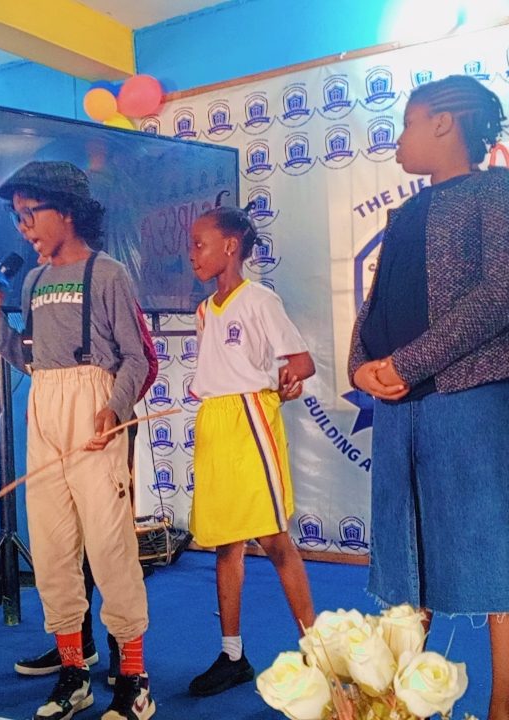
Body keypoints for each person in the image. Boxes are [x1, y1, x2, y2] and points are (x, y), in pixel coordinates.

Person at [348, 75, 509, 720]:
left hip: (472, 398)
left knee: (495, 547)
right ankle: (401, 698)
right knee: (405, 551)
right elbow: (375, 303)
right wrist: (361, 367)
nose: (398, 139)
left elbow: (500, 294)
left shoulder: (498, 191)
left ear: (443, 123)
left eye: (407, 123)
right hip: (399, 406)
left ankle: (507, 705)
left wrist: (407, 362)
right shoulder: (404, 213)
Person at [0, 160, 154, 720]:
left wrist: (113, 407)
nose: (23, 227)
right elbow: (30, 360)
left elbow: (136, 357)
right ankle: (74, 673)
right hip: (44, 408)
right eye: (17, 217)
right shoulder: (32, 281)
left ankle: (134, 680)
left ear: (67, 211)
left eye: (30, 214)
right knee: (50, 544)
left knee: (109, 544)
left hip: (93, 409)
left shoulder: (108, 273)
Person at [183, 204, 316, 697]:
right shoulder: (204, 311)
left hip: (250, 418)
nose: (192, 254)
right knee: (226, 542)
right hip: (215, 420)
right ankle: (232, 655)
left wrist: (282, 380)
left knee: (275, 539)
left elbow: (301, 362)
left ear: (230, 246)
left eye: (200, 244)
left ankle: (317, 653)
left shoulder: (259, 300)